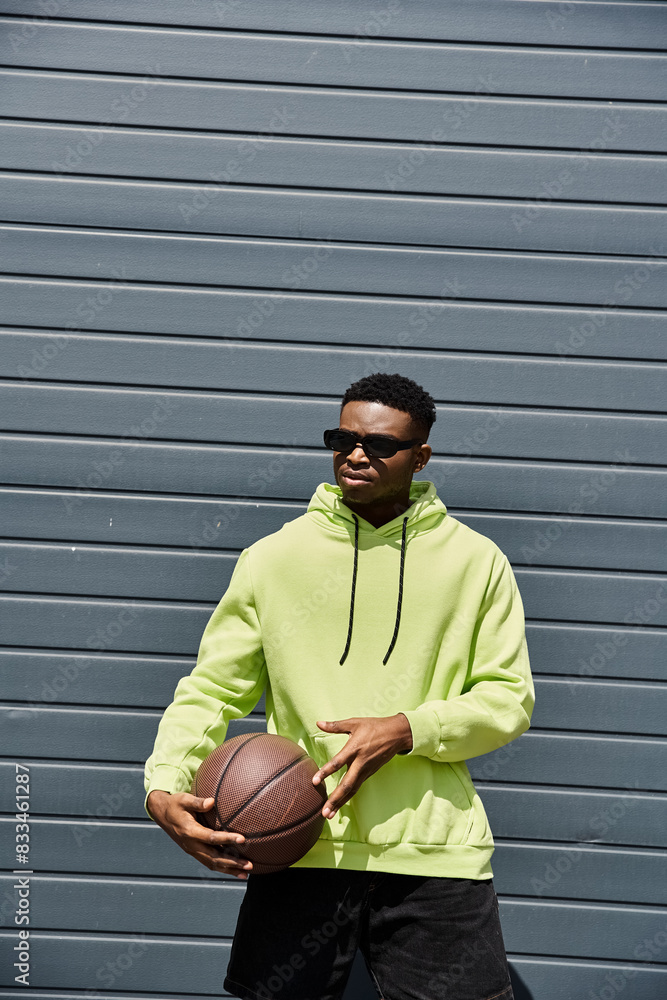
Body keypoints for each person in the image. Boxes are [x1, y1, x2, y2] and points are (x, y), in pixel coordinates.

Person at [144, 372, 535, 1000]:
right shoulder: (274, 558)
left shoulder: (476, 562)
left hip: (433, 856)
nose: (357, 454)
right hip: (299, 848)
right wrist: (163, 784)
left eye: (380, 445)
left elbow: (507, 699)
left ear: (421, 456)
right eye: (343, 438)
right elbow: (211, 690)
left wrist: (407, 729)